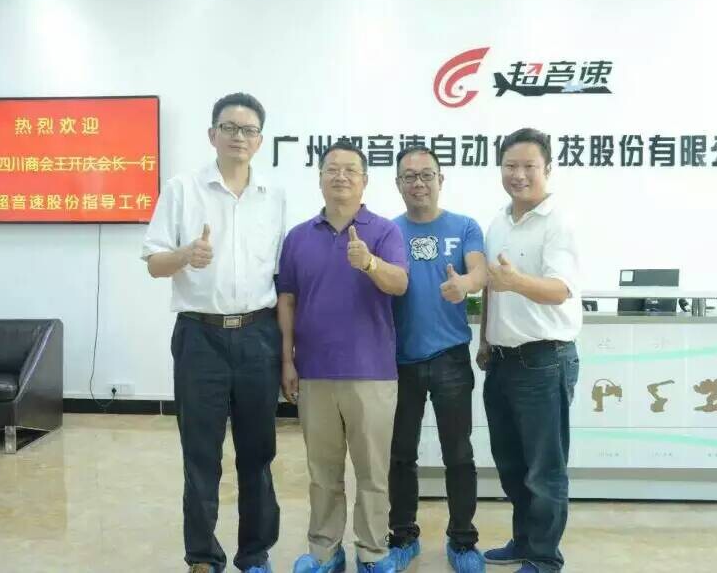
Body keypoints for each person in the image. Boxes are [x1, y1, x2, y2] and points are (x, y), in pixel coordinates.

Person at [142, 93, 284, 573]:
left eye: (248, 130)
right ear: (212, 135)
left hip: (259, 335)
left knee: (258, 453)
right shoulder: (182, 189)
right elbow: (154, 264)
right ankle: (202, 556)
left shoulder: (274, 196)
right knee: (200, 453)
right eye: (229, 128)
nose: (239, 137)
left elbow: (280, 275)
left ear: (259, 140)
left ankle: (255, 553)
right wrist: (185, 255)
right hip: (199, 337)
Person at [278, 139, 407, 573]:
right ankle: (324, 551)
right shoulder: (298, 237)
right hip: (314, 372)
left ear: (365, 180)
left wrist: (369, 263)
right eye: (332, 169)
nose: (340, 176)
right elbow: (287, 299)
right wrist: (287, 360)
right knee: (322, 473)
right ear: (319, 178)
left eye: (350, 170)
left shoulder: (384, 231)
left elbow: (399, 283)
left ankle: (372, 553)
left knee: (372, 473)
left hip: (371, 373)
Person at [477, 128, 582, 573]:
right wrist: (485, 340)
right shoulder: (498, 222)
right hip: (501, 361)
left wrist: (515, 281)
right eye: (510, 166)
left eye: (528, 166)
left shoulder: (558, 222)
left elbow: (560, 290)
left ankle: (544, 556)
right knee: (512, 464)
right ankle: (523, 541)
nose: (518, 175)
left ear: (547, 169)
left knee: (544, 469)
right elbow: (491, 287)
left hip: (544, 360)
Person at [387, 145, 487, 573]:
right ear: (398, 184)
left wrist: (465, 283)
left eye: (426, 175)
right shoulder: (388, 232)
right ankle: (402, 536)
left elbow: (480, 271)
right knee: (400, 454)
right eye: (409, 176)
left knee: (458, 453)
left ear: (440, 180)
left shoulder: (464, 226)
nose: (418, 183)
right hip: (399, 359)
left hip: (450, 358)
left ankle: (462, 540)